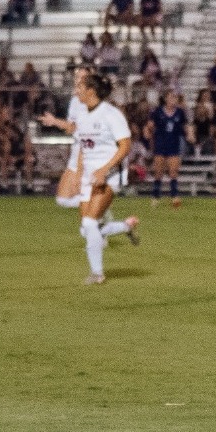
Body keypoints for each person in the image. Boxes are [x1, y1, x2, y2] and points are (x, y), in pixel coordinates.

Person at [40, 71, 140, 283]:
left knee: (89, 221)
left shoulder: (111, 114)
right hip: (90, 173)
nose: (76, 90)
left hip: (111, 174)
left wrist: (105, 170)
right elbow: (83, 148)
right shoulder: (83, 115)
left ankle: (97, 273)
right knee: (87, 228)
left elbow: (125, 146)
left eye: (80, 87)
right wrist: (79, 174)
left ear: (91, 91)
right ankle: (126, 226)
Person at [148, 89, 187, 208]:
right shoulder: (158, 111)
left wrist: (189, 134)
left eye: (174, 97)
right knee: (158, 172)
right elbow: (150, 125)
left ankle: (174, 196)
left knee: (173, 172)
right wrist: (149, 131)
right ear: (165, 99)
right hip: (160, 144)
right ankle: (155, 197)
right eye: (171, 97)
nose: (173, 99)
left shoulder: (180, 112)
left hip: (173, 144)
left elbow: (185, 126)